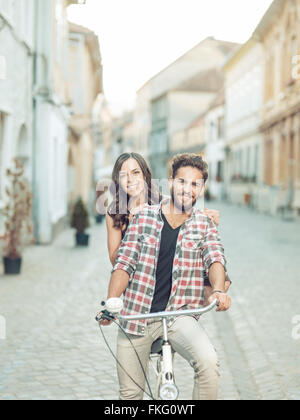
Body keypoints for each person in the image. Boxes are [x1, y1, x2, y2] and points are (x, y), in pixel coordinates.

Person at [99, 153, 231, 400]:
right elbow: (123, 263)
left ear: (202, 188)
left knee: (208, 363)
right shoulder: (142, 217)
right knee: (130, 395)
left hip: (178, 315)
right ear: (171, 181)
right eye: (182, 181)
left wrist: (218, 289)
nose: (187, 189)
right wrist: (111, 302)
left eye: (195, 184)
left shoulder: (204, 224)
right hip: (137, 314)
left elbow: (215, 258)